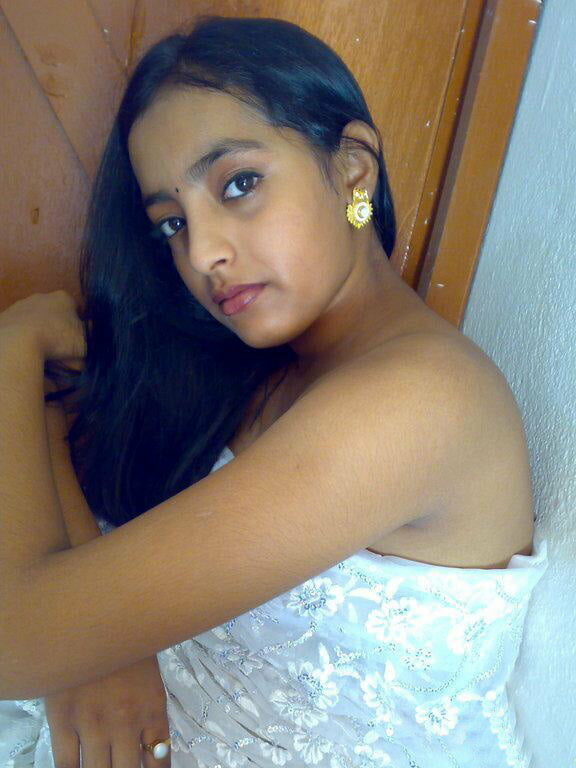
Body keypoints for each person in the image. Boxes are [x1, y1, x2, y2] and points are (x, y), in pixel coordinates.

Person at [0, 14, 548, 768]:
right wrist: (100, 651)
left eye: (239, 184)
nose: (203, 252)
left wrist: (11, 346)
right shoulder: (272, 365)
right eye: (170, 224)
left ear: (352, 168)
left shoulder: (420, 400)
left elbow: (15, 641)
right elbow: (53, 419)